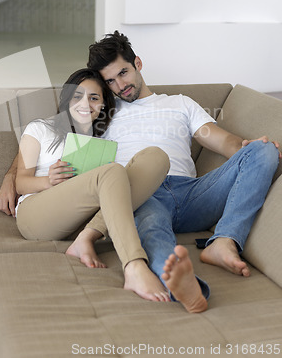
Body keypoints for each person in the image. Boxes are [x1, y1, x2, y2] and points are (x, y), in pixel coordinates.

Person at [86, 31, 280, 313]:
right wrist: (10, 176)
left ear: (138, 63)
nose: (120, 85)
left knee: (265, 150)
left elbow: (224, 141)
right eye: (110, 81)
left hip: (192, 194)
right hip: (142, 194)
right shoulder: (101, 112)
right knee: (151, 228)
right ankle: (188, 287)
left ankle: (224, 241)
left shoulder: (180, 103)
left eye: (123, 73)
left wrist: (250, 150)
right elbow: (48, 135)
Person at [9, 67, 170, 302]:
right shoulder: (40, 129)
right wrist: (48, 180)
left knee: (156, 156)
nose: (86, 103)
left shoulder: (103, 142)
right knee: (112, 171)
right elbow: (21, 183)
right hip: (37, 214)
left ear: (103, 105)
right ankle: (134, 265)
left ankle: (86, 238)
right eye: (78, 96)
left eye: (94, 98)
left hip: (85, 218)